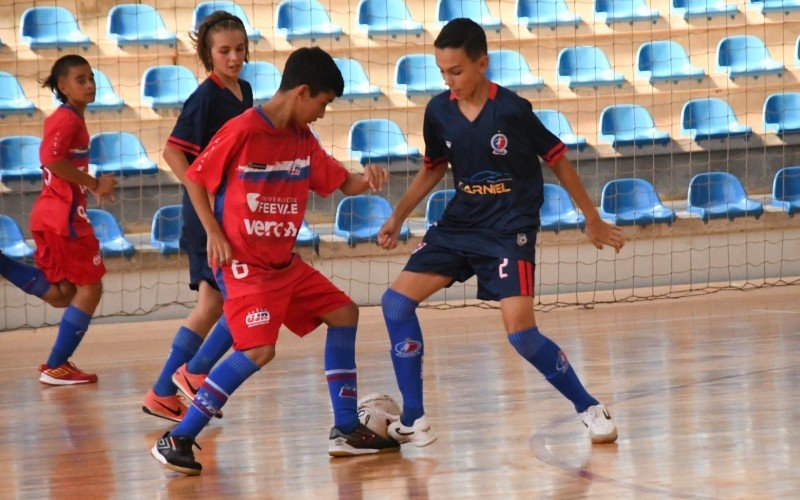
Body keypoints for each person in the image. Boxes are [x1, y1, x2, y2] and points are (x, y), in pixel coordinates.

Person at [150, 46, 400, 476]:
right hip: (243, 263)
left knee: (344, 314)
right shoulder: (242, 130)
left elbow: (341, 182)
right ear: (303, 92)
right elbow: (195, 178)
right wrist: (212, 232)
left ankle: (345, 430)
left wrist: (368, 178)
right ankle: (178, 437)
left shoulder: (303, 137)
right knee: (260, 349)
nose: (322, 113)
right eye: (322, 103)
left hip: (283, 264)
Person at [377, 18, 625, 447]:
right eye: (441, 72)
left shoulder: (512, 109)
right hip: (459, 225)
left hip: (510, 231)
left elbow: (559, 160)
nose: (448, 80)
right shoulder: (438, 110)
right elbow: (434, 167)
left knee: (521, 334)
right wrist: (398, 216)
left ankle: (589, 407)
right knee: (396, 303)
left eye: (456, 71)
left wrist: (593, 218)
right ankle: (414, 418)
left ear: (481, 64)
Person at [142, 11, 254, 422]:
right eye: (224, 51)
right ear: (209, 55)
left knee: (216, 301)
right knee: (220, 302)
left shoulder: (244, 89)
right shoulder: (205, 96)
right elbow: (173, 151)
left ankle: (164, 390)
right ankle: (180, 380)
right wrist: (203, 199)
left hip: (230, 207)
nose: (234, 57)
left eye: (240, 49)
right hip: (208, 213)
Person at [0, 55, 117, 384]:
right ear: (63, 87)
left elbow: (60, 163)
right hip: (64, 218)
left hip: (50, 214)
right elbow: (51, 159)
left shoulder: (72, 119)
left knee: (63, 294)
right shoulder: (68, 120)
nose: (90, 84)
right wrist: (94, 183)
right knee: (90, 288)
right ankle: (56, 365)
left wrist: (87, 183)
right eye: (81, 79)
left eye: (91, 77)